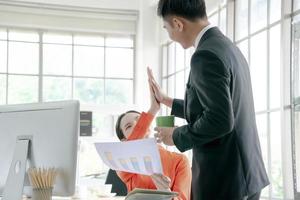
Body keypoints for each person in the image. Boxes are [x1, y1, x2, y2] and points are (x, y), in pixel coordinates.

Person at [147, 0, 270, 199]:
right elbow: (215, 106)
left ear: (178, 24)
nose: (169, 36)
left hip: (225, 181)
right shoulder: (228, 48)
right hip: (246, 176)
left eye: (166, 28)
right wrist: (167, 100)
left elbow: (219, 119)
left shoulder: (204, 55)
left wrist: (176, 135)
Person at [115, 78, 192, 200]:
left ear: (149, 126)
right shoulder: (125, 163)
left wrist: (165, 193)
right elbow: (132, 146)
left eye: (139, 120)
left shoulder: (180, 161)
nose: (136, 125)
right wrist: (153, 109)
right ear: (124, 141)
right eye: (129, 126)